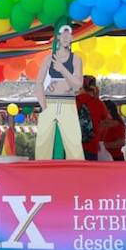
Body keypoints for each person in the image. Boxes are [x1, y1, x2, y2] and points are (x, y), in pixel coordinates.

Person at [34, 23, 85, 160]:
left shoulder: (76, 59)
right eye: (63, 35)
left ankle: (77, 175)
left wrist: (62, 69)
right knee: (42, 143)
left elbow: (78, 85)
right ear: (58, 37)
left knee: (74, 143)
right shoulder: (48, 59)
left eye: (69, 35)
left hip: (68, 103)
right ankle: (40, 176)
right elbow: (38, 83)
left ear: (72, 38)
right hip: (50, 101)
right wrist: (44, 106)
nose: (66, 38)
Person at [77, 75, 105, 161]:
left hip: (74, 146)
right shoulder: (98, 103)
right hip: (92, 146)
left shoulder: (73, 102)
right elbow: (105, 120)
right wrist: (97, 97)